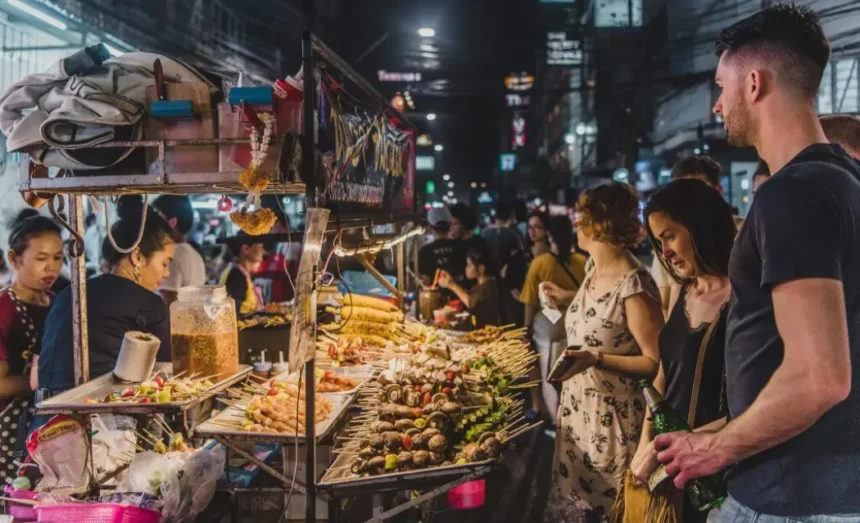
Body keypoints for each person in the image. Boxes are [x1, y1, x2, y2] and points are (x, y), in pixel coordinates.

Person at [655, 7, 860, 521]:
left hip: (792, 497)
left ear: (753, 82)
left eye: (721, 87)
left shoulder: (792, 195)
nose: (718, 106)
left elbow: (819, 376)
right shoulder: (841, 183)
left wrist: (719, 447)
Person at [543, 182, 663, 521]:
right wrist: (566, 297)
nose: (577, 223)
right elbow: (603, 317)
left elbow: (655, 362)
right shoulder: (592, 270)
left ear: (601, 223)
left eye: (583, 216)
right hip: (578, 417)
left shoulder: (634, 284)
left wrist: (596, 360)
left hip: (613, 429)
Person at [627, 179, 737, 522]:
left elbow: (747, 405)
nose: (665, 252)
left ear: (700, 227)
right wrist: (646, 443)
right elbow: (663, 374)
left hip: (717, 471)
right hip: (670, 466)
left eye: (670, 236)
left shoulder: (745, 297)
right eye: (659, 242)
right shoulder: (683, 291)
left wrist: (668, 449)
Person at [37, 196, 174, 398]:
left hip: (45, 415)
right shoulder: (149, 304)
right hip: (102, 415)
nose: (167, 273)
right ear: (137, 257)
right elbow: (165, 374)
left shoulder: (69, 294)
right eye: (164, 263)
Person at [0, 211, 62, 465]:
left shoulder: (58, 303)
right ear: (14, 259)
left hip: (50, 423)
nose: (52, 267)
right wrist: (45, 383)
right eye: (41, 258)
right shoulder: (4, 308)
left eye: (58, 258)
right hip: (10, 429)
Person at [650, 155, 739, 318]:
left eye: (696, 192)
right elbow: (664, 305)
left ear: (717, 191)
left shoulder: (745, 234)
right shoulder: (682, 279)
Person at [520, 215, 586, 424]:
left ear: (549, 234)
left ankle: (558, 423)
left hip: (547, 329)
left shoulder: (540, 264)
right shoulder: (582, 262)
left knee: (550, 376)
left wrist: (526, 327)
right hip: (575, 326)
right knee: (574, 375)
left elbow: (530, 301)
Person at [153, 195, 206, 307]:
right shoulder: (194, 254)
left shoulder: (171, 256)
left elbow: (168, 303)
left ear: (172, 222)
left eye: (157, 217)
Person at [482, 201, 527, 326]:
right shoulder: (514, 235)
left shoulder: (484, 234)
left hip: (487, 284)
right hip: (508, 287)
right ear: (510, 216)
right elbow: (519, 262)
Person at [437, 243, 502, 329]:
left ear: (481, 268)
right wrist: (451, 282)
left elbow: (472, 303)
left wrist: (452, 285)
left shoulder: (490, 285)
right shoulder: (480, 285)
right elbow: (468, 295)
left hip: (488, 333)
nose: (466, 268)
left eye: (469, 265)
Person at [418, 207, 465, 286]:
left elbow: (425, 281)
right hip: (461, 294)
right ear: (450, 225)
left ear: (430, 226)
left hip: (434, 296)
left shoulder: (425, 251)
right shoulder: (462, 246)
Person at [220, 239, 265, 316]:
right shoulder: (237, 276)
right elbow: (233, 313)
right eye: (260, 246)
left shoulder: (240, 273)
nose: (262, 251)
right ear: (246, 249)